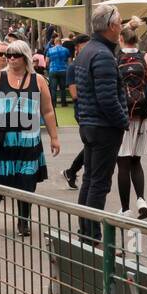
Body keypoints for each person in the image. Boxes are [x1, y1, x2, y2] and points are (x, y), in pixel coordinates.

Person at [0, 40, 60, 236]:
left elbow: (47, 111)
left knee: (26, 180)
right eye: (8, 55)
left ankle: (23, 220)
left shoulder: (38, 80)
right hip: (1, 140)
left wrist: (54, 137)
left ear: (26, 57)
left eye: (15, 55)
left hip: (28, 141)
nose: (10, 58)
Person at [71, 4, 129, 240]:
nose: (122, 26)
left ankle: (86, 230)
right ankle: (91, 234)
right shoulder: (102, 54)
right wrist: (123, 121)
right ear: (112, 26)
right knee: (99, 183)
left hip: (89, 122)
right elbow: (107, 98)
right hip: (103, 126)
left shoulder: (87, 50)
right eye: (120, 22)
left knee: (90, 180)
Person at [116, 25, 147, 218]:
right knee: (136, 161)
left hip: (123, 117)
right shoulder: (146, 57)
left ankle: (125, 209)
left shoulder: (116, 58)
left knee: (122, 164)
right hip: (142, 116)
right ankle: (142, 200)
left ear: (121, 39)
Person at [61, 34, 90, 189]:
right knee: (91, 144)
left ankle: (72, 171)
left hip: (89, 110)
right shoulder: (73, 66)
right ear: (78, 47)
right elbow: (74, 94)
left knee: (91, 145)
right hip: (82, 110)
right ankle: (73, 171)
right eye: (86, 44)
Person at [45, 34, 71, 106]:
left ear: (54, 42)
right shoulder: (66, 50)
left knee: (53, 88)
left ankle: (53, 104)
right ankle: (63, 103)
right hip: (63, 70)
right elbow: (69, 61)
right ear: (61, 42)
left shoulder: (50, 50)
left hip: (53, 70)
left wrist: (48, 67)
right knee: (63, 88)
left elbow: (47, 61)